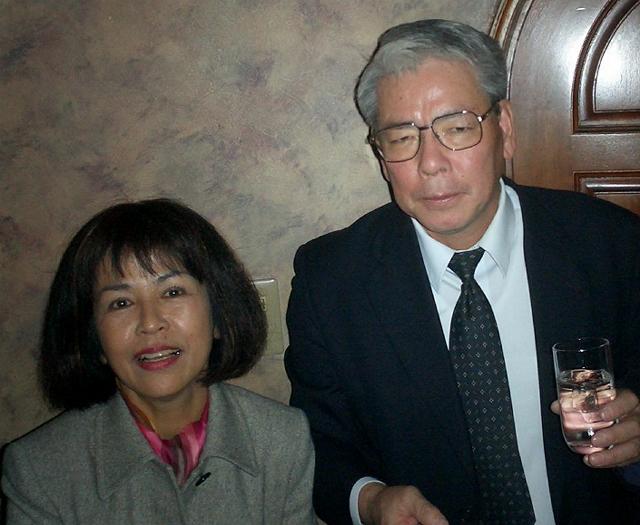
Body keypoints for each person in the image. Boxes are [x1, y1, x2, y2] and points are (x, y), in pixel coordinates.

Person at [284, 19, 640, 525]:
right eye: (401, 137)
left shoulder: (611, 244)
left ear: (505, 129)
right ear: (382, 158)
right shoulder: (331, 282)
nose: (431, 163)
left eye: (456, 128)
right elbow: (316, 442)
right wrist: (370, 500)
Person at [1, 198, 317, 524]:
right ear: (92, 335)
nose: (150, 323)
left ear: (219, 314)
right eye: (121, 302)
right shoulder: (38, 470)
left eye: (172, 292)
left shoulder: (282, 440)